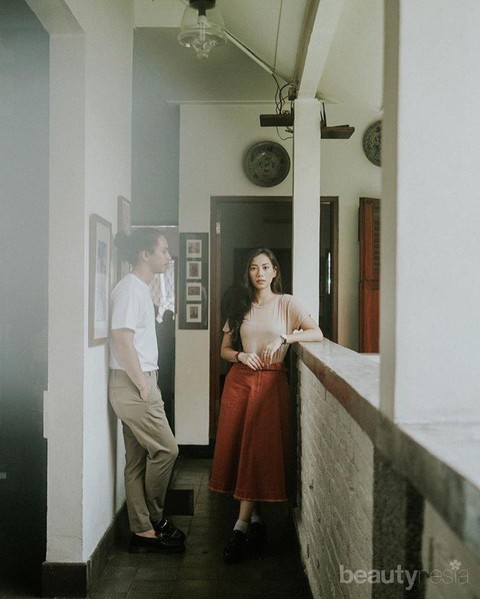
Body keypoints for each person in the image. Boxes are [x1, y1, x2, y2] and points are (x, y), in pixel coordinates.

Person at [209, 248, 323, 563]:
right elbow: (224, 350)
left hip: (271, 384)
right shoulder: (239, 304)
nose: (259, 273)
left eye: (265, 267)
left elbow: (316, 333)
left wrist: (285, 338)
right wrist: (241, 355)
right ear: (248, 273)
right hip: (240, 383)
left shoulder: (287, 303)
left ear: (274, 271)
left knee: (257, 450)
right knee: (242, 450)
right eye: (253, 268)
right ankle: (256, 520)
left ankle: (240, 527)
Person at [108, 228, 185, 554]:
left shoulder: (139, 287)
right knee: (167, 450)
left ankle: (142, 532)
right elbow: (121, 339)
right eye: (163, 251)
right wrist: (143, 385)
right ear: (145, 254)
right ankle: (156, 517)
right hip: (133, 383)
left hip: (136, 381)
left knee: (136, 462)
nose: (168, 257)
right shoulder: (129, 289)